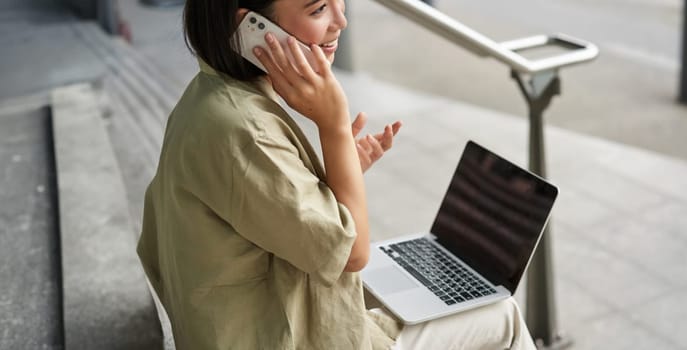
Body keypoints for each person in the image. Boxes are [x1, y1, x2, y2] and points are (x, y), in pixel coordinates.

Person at [135, 0, 537, 349]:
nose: (340, 21)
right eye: (317, 9)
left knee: (413, 297)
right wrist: (335, 126)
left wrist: (334, 175)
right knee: (501, 313)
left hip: (235, 328)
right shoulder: (247, 131)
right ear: (250, 27)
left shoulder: (207, 97)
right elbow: (352, 254)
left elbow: (262, 213)